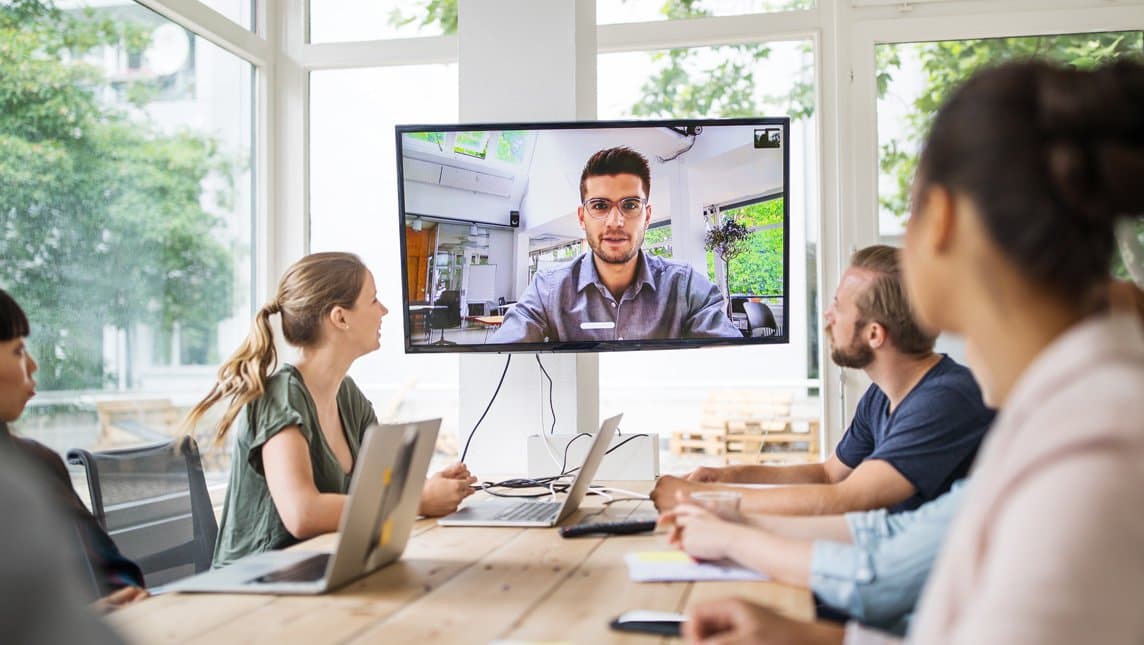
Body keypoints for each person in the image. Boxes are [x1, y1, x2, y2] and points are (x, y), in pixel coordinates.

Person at [684, 59, 1144, 644]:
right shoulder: (1050, 406)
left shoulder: (1094, 445)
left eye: (909, 213)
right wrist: (813, 638)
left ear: (943, 220)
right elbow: (907, 559)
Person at [182, 252, 476, 568]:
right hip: (255, 584)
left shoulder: (349, 397)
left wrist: (430, 486)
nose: (385, 311)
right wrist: (419, 500)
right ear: (340, 318)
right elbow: (302, 513)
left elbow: (378, 490)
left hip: (317, 568)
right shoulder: (280, 397)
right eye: (374, 300)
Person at [652, 245, 994, 515]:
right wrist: (724, 476)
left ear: (875, 334)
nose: (828, 316)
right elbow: (828, 475)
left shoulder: (945, 400)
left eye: (838, 307)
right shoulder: (881, 396)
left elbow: (848, 498)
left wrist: (704, 498)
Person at [491, 146, 741, 343]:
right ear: (582, 217)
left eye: (630, 205)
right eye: (600, 205)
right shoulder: (548, 289)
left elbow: (731, 362)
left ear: (648, 215)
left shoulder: (685, 287)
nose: (616, 221)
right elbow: (501, 354)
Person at [0, 288, 149, 610]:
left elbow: (112, 571)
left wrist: (123, 598)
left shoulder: (39, 463)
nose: (33, 364)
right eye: (17, 350)